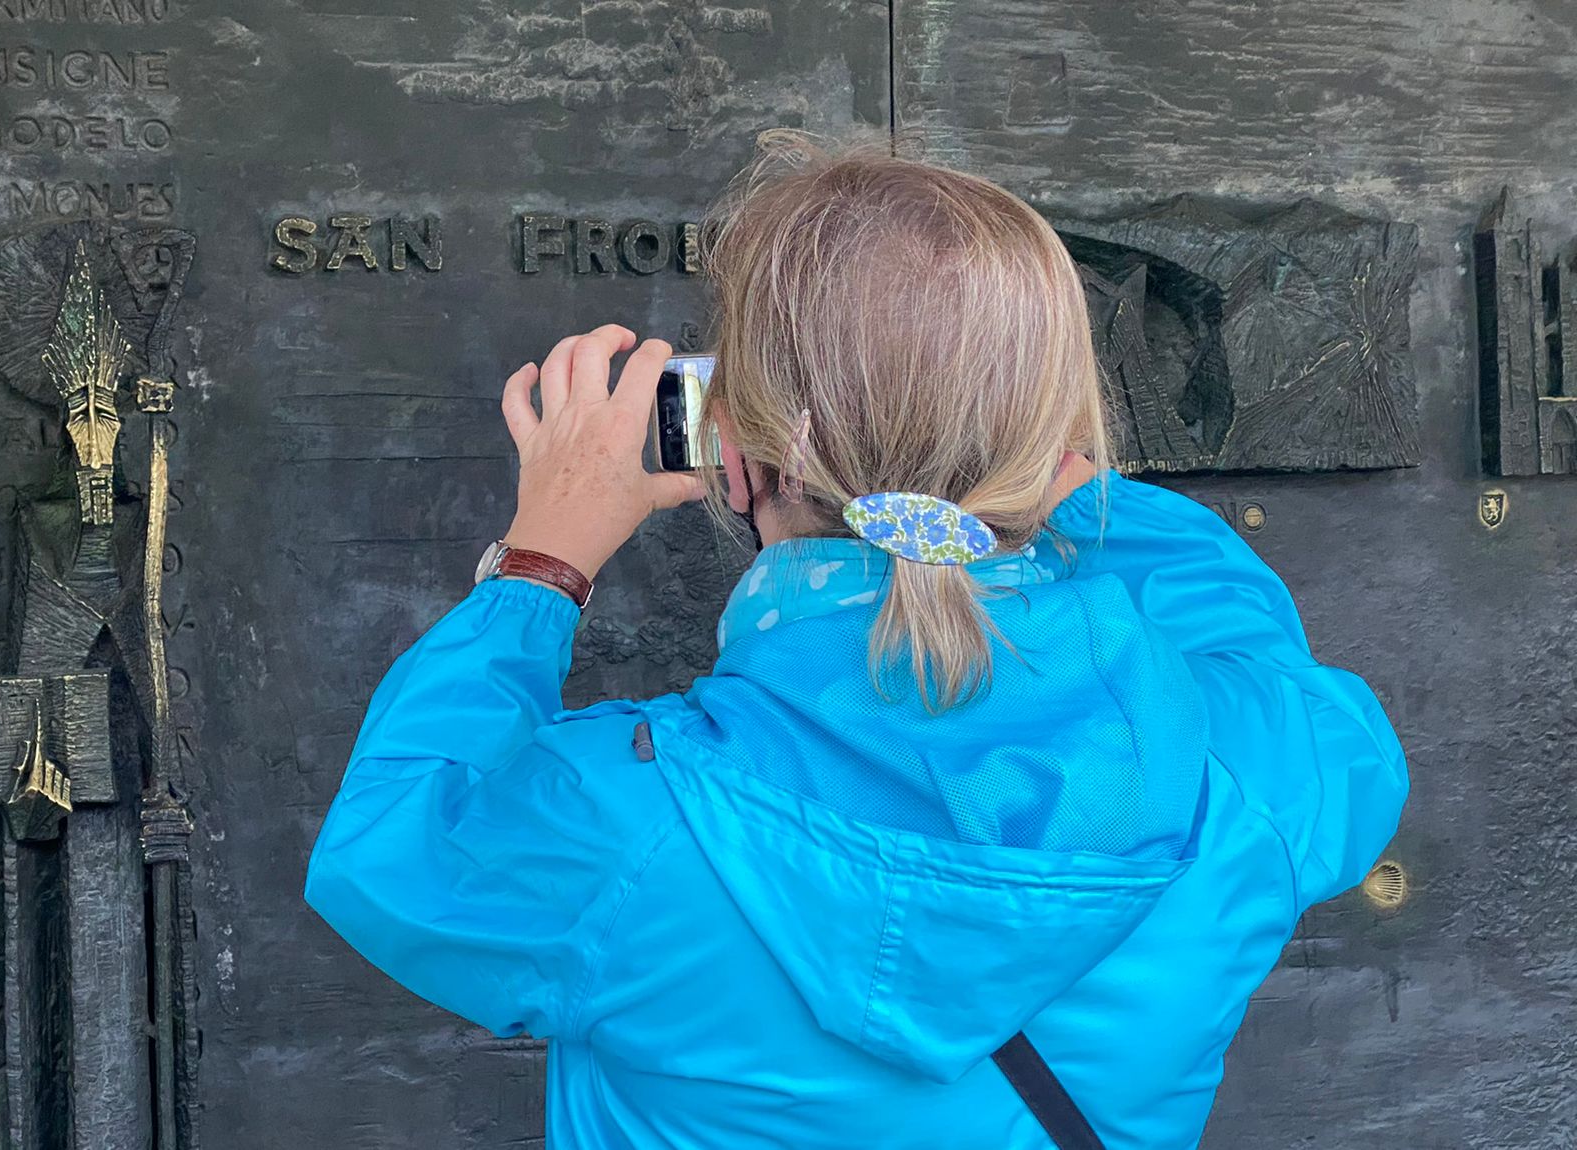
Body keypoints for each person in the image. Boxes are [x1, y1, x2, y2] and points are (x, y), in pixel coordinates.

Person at [305, 136, 1409, 1149]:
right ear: (1052, 434)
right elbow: (1261, 656)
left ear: (730, 460)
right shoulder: (1254, 766)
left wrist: (544, 557)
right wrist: (1061, 482)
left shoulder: (632, 831)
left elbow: (394, 843)